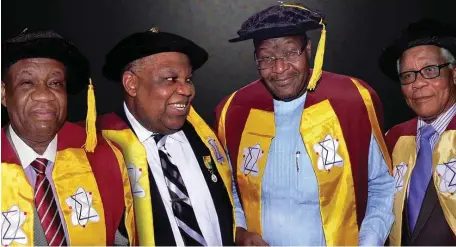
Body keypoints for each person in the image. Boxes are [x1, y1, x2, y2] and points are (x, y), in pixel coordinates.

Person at [214, 3, 395, 246]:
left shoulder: (353, 102)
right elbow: (230, 192)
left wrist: (367, 243)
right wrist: (240, 231)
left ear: (308, 49)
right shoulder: (235, 111)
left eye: (290, 52)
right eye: (267, 57)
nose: (279, 68)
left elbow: (381, 187)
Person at [97, 28, 235, 246]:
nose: (187, 90)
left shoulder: (204, 138)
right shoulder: (103, 151)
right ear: (131, 84)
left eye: (188, 79)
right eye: (170, 79)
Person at [1, 30, 137, 246]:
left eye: (55, 84)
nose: (44, 95)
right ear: (3, 93)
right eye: (27, 83)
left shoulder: (103, 157)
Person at [379, 19, 456, 245]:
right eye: (408, 75)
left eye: (430, 70)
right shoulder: (393, 139)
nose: (418, 83)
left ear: (453, 75)